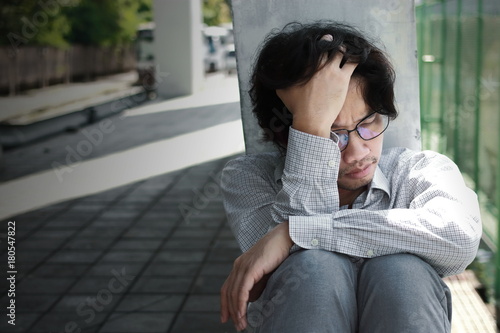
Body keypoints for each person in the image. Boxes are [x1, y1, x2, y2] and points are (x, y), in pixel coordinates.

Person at [219, 21, 481, 333]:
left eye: (368, 121)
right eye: (333, 134)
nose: (357, 152)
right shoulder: (248, 179)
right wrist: (311, 126)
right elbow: (276, 271)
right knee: (314, 267)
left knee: (400, 270)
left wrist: (294, 231)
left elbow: (459, 239)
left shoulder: (419, 170)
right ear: (287, 136)